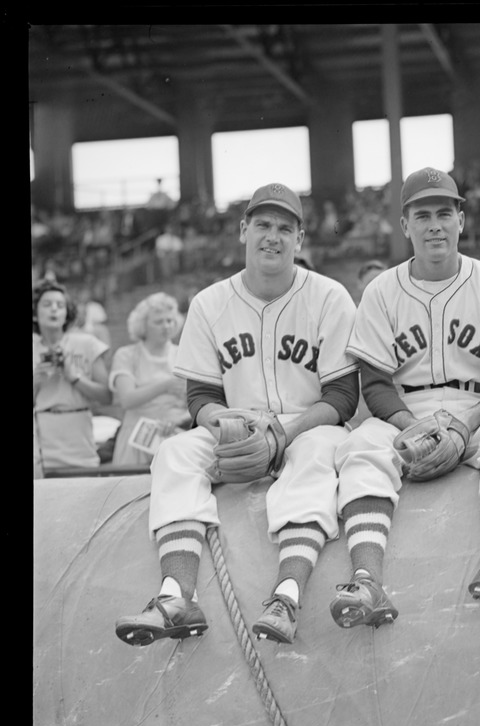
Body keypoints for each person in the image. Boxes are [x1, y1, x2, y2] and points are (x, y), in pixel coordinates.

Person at [115, 183, 360, 647]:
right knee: (174, 454)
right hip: (235, 426)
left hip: (308, 424)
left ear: (300, 239)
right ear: (243, 230)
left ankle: (286, 595)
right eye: (263, 225)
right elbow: (201, 393)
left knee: (314, 460)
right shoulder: (210, 303)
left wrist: (283, 433)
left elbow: (343, 395)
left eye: (285, 228)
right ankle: (175, 595)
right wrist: (220, 424)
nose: (273, 236)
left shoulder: (330, 297)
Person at [327, 167, 480, 630]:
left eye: (445, 213)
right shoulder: (381, 291)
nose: (434, 225)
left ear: (461, 220)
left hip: (479, 408)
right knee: (361, 446)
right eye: (422, 216)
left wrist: (466, 425)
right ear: (405, 225)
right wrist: (410, 427)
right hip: (406, 410)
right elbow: (376, 381)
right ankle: (366, 577)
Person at [33, 279, 113, 471]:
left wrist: (74, 377)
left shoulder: (87, 344)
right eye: (47, 304)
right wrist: (36, 381)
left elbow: (107, 396)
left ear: (67, 313)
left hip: (80, 439)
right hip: (42, 441)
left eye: (60, 305)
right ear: (35, 314)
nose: (54, 309)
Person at [108, 292, 191, 467]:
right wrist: (166, 385)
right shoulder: (126, 355)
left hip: (175, 438)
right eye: (158, 322)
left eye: (170, 320)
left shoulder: (184, 355)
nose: (166, 326)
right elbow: (127, 399)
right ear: (143, 325)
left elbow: (194, 402)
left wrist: (178, 421)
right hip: (135, 440)